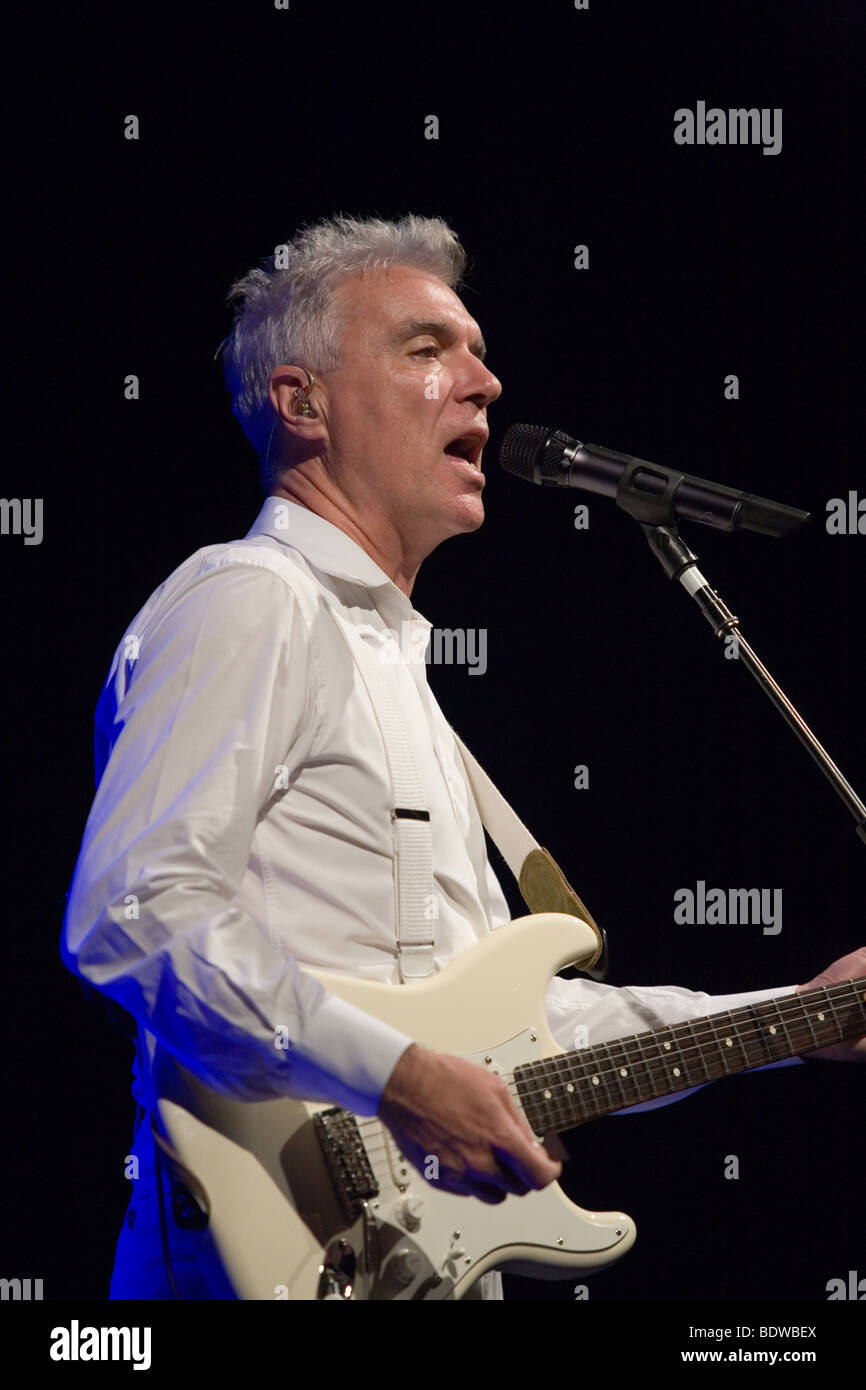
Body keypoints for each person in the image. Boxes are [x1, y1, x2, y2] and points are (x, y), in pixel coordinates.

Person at [61, 213, 865, 1302]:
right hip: (244, 1259)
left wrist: (796, 1017)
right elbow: (131, 909)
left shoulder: (396, 677)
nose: (484, 385)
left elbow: (522, 1033)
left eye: (481, 353)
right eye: (427, 349)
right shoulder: (251, 598)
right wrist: (397, 1076)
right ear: (302, 403)